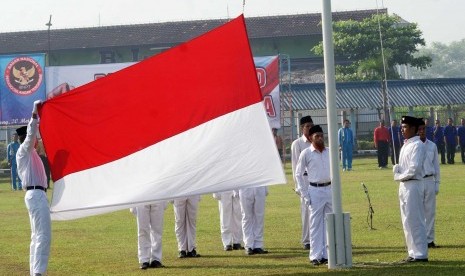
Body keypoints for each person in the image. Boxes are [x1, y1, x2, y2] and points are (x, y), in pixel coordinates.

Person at [16, 100, 51, 275]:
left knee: (36, 236)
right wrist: (34, 113)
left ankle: (34, 271)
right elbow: (30, 136)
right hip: (36, 194)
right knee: (43, 236)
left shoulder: (32, 155)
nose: (36, 140)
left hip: (37, 194)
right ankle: (38, 272)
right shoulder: (24, 151)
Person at [295, 125, 332, 266]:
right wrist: (304, 194)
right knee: (315, 224)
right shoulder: (306, 153)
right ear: (311, 138)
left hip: (329, 188)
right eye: (317, 136)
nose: (320, 138)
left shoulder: (329, 151)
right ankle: (315, 256)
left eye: (321, 135)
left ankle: (327, 254)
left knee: (329, 223)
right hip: (315, 190)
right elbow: (298, 174)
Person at [393, 116, 427, 262]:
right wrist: (398, 170)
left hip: (413, 184)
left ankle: (420, 254)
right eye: (402, 127)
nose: (402, 129)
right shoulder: (406, 145)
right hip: (404, 186)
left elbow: (414, 169)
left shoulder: (417, 145)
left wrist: (398, 176)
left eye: (405, 127)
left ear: (413, 129)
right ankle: (412, 252)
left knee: (415, 219)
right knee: (406, 220)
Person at [291, 115, 313, 250]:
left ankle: (317, 238)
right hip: (304, 183)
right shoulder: (297, 144)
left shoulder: (315, 141)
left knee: (317, 213)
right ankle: (306, 240)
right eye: (307, 126)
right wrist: (298, 187)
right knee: (306, 213)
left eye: (311, 126)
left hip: (316, 182)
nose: (310, 129)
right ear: (302, 128)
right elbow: (295, 167)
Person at [418, 119, 441, 249]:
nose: (422, 131)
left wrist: (437, 182)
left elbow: (436, 166)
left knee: (430, 212)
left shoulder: (432, 145)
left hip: (429, 180)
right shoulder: (412, 146)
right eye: (419, 129)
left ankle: (430, 240)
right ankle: (420, 240)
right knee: (419, 213)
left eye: (423, 129)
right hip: (418, 181)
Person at [131, 201, 167, 269]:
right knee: (142, 230)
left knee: (157, 229)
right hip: (142, 197)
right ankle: (144, 260)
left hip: (158, 196)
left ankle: (156, 259)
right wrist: (132, 204)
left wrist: (165, 200)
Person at [239, 186, 269, 255]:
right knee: (246, 217)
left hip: (260, 187)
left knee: (259, 217)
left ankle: (258, 245)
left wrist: (266, 188)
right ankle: (248, 245)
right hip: (245, 187)